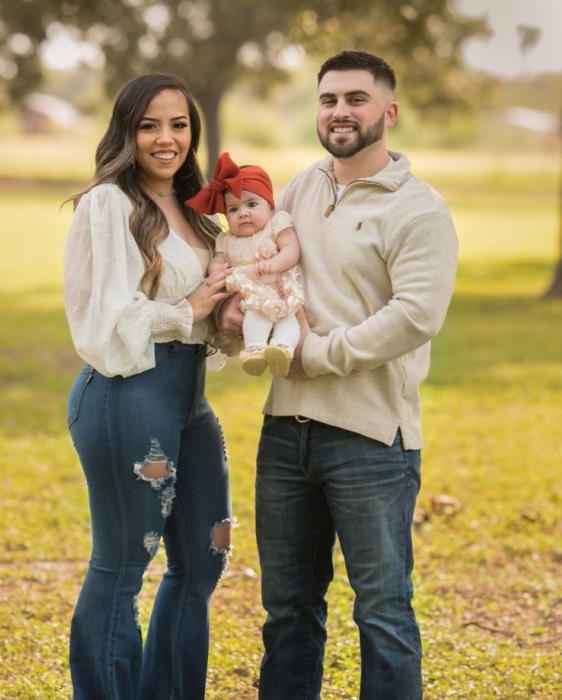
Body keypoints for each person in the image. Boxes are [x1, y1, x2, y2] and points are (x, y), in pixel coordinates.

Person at [219, 50, 458, 699]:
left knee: (383, 613)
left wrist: (315, 356)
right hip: (284, 437)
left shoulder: (419, 210)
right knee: (289, 614)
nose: (340, 111)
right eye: (329, 99)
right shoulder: (299, 189)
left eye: (356, 98)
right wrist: (236, 310)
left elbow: (414, 315)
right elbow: (264, 262)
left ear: (389, 111)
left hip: (370, 439)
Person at [63, 72, 236, 700]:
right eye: (149, 125)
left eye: (180, 124)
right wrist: (186, 309)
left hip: (190, 401)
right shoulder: (109, 203)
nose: (167, 139)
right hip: (126, 394)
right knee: (123, 562)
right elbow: (103, 321)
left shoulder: (197, 212)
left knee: (203, 559)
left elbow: (206, 310)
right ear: (126, 132)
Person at [186, 152, 303, 377]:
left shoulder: (275, 225)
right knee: (254, 315)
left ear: (270, 207)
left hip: (278, 288)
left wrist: (276, 263)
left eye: (251, 204)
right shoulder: (227, 239)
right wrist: (215, 269)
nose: (243, 213)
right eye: (233, 209)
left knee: (288, 318)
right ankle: (255, 351)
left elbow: (291, 249)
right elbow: (218, 259)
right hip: (251, 293)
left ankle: (283, 348)